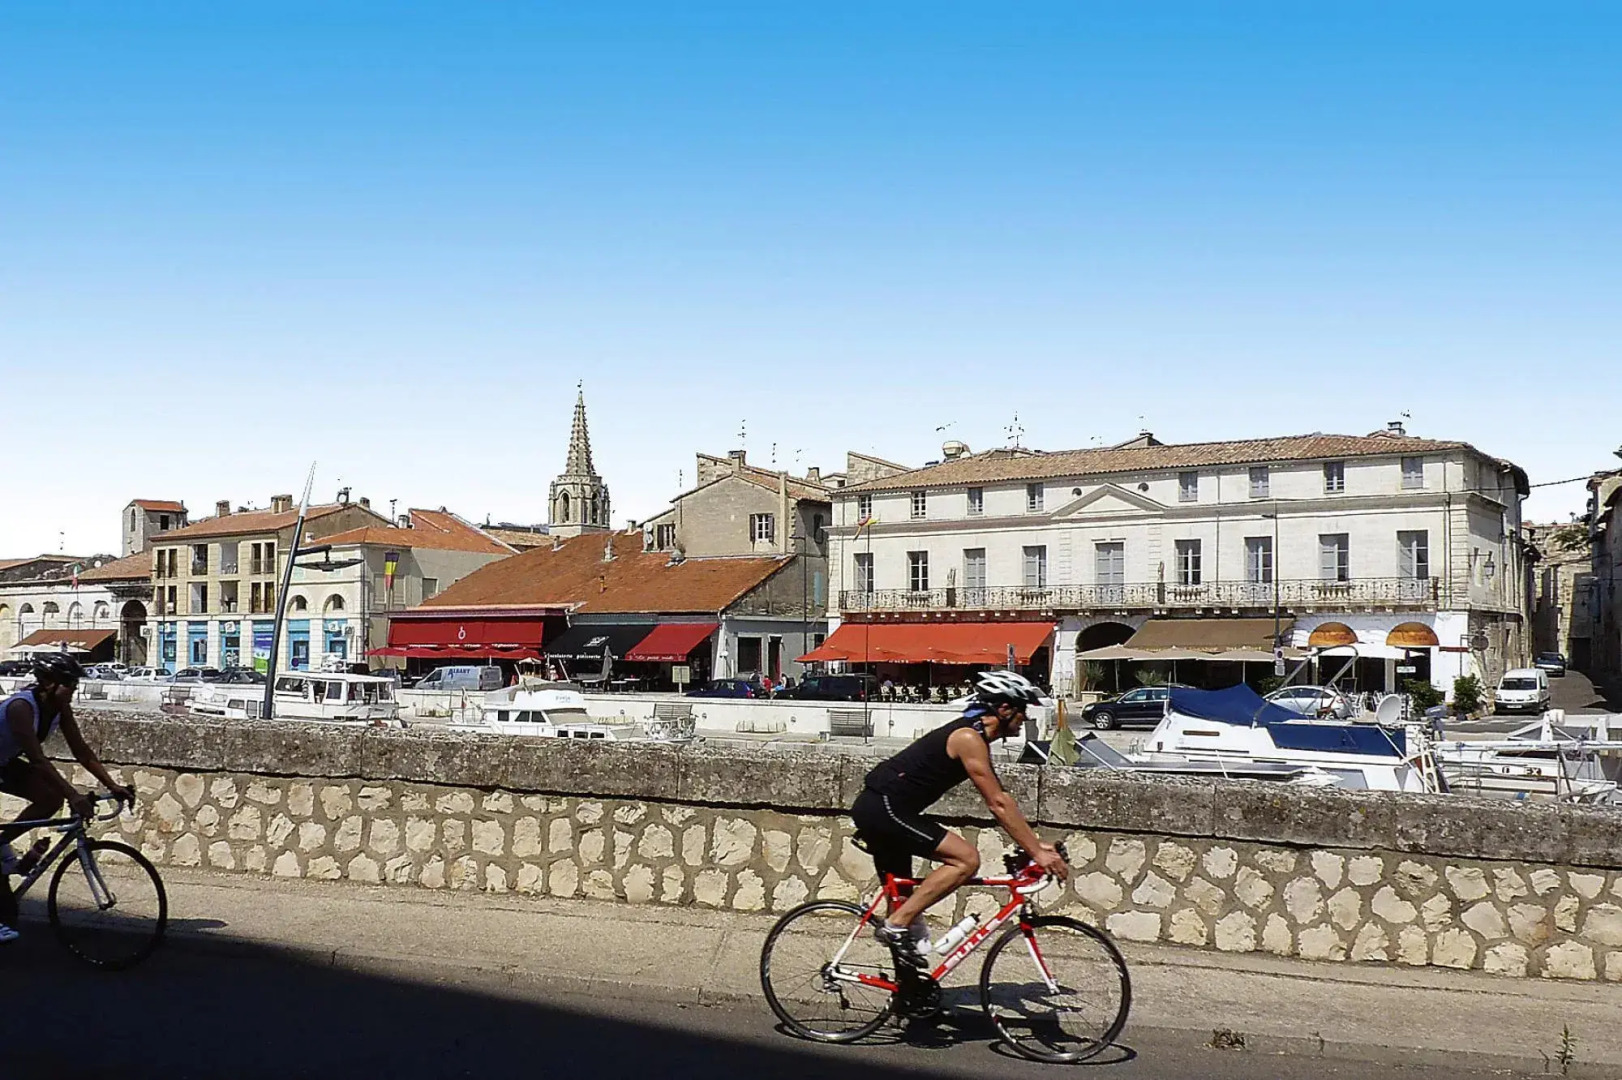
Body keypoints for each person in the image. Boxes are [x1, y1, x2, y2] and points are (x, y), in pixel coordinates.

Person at [850, 669, 1069, 979]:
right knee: (966, 860)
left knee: (901, 905)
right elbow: (998, 803)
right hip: (884, 807)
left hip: (887, 808)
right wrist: (1036, 851)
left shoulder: (973, 736)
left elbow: (1001, 800)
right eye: (1023, 710)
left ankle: (910, 994)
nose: (1026, 718)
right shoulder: (968, 738)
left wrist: (1034, 845)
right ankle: (895, 925)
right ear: (1003, 709)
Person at [0, 653, 133, 943]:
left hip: (3, 762)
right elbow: (37, 760)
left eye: (74, 685)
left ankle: (4, 852)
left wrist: (112, 784)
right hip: (7, 763)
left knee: (50, 799)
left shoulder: (59, 708)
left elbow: (81, 751)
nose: (73, 691)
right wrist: (74, 795)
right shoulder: (21, 708)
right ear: (48, 683)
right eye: (68, 685)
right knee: (56, 795)